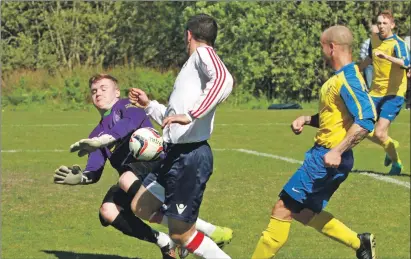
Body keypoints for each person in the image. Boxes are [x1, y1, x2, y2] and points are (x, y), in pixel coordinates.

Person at [53, 74, 230, 259]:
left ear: (117, 92)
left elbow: (128, 124)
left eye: (104, 89)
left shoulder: (126, 107)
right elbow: (94, 169)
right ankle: (164, 242)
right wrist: (81, 177)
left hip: (160, 166)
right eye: (94, 91)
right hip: (132, 180)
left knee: (126, 179)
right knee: (108, 210)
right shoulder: (96, 134)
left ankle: (203, 230)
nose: (98, 93)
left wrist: (103, 140)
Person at [251, 25, 377, 259]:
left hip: (327, 158)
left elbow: (367, 119)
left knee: (283, 208)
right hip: (325, 154)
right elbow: (338, 117)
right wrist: (308, 119)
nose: (321, 52)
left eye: (322, 47)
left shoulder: (349, 78)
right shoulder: (339, 79)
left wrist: (338, 151)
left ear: (331, 48)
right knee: (304, 212)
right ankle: (360, 243)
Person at [125, 13, 234, 259]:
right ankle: (198, 230)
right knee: (142, 206)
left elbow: (224, 80)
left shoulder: (203, 54)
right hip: (174, 153)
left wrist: (191, 114)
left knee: (180, 236)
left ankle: (198, 237)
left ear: (189, 35)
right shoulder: (192, 66)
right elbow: (173, 120)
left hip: (190, 157)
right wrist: (149, 105)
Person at [359, 10, 410, 175]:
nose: (381, 26)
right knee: (360, 127)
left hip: (394, 93)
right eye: (379, 23)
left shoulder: (398, 43)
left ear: (392, 25)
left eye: (385, 23)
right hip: (375, 92)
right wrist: (356, 70)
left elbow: (406, 62)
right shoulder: (374, 39)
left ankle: (396, 164)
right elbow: (370, 58)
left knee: (380, 132)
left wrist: (387, 57)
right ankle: (390, 145)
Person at [359, 25, 379, 90]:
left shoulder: (382, 43)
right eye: (374, 32)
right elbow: (362, 55)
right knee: (370, 85)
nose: (376, 34)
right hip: (369, 66)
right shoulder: (367, 42)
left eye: (377, 32)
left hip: (379, 66)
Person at [404, 34, 411, 110]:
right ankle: (408, 105)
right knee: (409, 86)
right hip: (408, 66)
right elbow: (407, 55)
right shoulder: (407, 39)